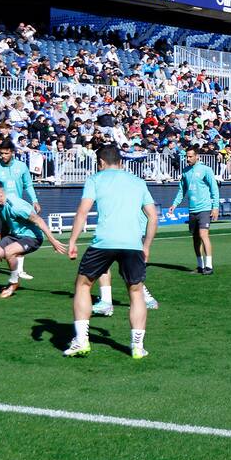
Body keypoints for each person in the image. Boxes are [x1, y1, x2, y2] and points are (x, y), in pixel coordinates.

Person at [63, 145, 159, 359]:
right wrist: (146, 246)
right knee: (136, 292)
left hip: (104, 242)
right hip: (132, 244)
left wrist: (72, 240)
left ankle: (81, 341)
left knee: (83, 285)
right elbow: (153, 216)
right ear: (121, 162)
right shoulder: (137, 182)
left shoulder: (95, 179)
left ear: (100, 162)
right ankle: (137, 347)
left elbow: (83, 211)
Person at [0, 180, 65, 298]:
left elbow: (39, 221)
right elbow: (6, 224)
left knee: (9, 251)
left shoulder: (16, 206)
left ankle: (13, 282)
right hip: (15, 236)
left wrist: (53, 241)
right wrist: (1, 245)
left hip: (32, 237)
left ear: (0, 194)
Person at [0, 140, 41, 283]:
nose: (3, 155)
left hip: (15, 210)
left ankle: (20, 270)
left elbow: (28, 185)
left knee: (20, 236)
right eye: (1, 153)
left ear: (12, 152)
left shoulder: (22, 167)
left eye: (6, 153)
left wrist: (34, 200)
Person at [170, 146, 220, 275]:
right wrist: (174, 204)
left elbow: (214, 189)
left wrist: (215, 207)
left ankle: (209, 266)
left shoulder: (205, 170)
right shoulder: (186, 171)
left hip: (204, 208)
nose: (188, 158)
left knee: (204, 235)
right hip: (192, 209)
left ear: (197, 156)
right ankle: (200, 266)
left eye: (190, 156)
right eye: (187, 156)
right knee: (195, 238)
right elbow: (182, 190)